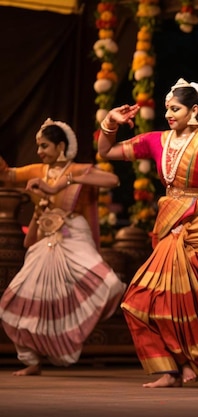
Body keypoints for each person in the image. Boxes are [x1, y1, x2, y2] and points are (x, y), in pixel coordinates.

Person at [97, 78, 198, 388]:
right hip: (170, 226)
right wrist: (110, 121)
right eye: (166, 109)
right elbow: (106, 151)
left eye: (175, 109)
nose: (168, 115)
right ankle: (168, 369)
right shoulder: (155, 140)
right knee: (139, 300)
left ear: (194, 110)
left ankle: (192, 359)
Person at [0, 118, 126, 376]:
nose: (39, 152)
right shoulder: (37, 170)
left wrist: (61, 184)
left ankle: (79, 326)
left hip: (73, 234)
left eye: (44, 146)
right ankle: (32, 359)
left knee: (109, 284)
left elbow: (112, 180)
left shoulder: (79, 170)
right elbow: (7, 175)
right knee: (19, 298)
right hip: (45, 238)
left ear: (60, 146)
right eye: (38, 146)